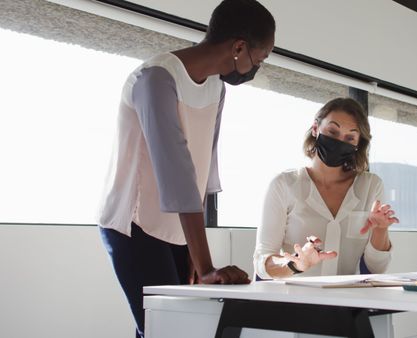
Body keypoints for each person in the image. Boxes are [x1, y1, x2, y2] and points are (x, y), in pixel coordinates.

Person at [96, 1, 275, 336]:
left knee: (171, 327)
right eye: (259, 58)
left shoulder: (216, 87)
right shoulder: (156, 78)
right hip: (133, 224)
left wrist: (194, 252)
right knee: (164, 328)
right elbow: (175, 171)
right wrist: (207, 266)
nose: (256, 68)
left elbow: (204, 168)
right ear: (239, 47)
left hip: (178, 227)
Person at [253, 97, 399, 279]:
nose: (339, 141)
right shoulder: (283, 185)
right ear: (315, 129)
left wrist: (380, 229)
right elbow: (263, 262)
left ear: (357, 143)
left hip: (348, 302)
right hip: (294, 301)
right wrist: (295, 264)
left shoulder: (371, 186)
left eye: (350, 137)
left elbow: (376, 270)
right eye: (332, 131)